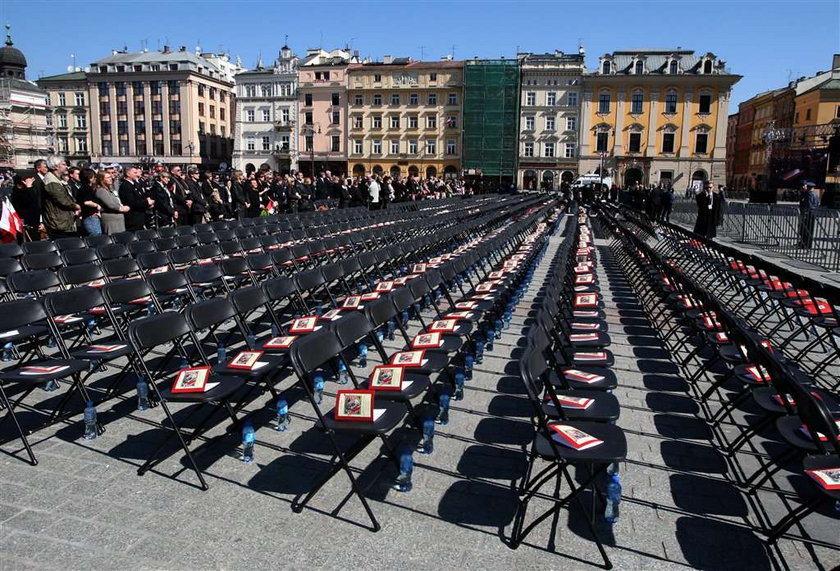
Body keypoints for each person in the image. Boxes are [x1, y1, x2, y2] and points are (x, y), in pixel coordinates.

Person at [41, 156, 79, 239]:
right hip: (58, 222)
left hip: (64, 220)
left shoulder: (57, 179)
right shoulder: (51, 181)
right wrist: (76, 206)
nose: (66, 167)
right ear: (56, 166)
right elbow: (62, 200)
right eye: (63, 164)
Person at [10, 168, 43, 241]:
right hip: (25, 222)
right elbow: (28, 203)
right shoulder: (17, 192)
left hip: (34, 222)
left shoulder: (31, 188)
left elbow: (36, 204)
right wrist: (29, 188)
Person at [119, 166, 153, 231]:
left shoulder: (135, 184)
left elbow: (142, 196)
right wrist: (147, 203)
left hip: (140, 216)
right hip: (133, 218)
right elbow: (131, 202)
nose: (137, 175)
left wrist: (148, 201)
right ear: (128, 174)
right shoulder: (126, 186)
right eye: (134, 173)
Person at [77, 167, 103, 236]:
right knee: (96, 238)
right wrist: (97, 206)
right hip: (90, 218)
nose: (95, 178)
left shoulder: (86, 188)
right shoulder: (86, 188)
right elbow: (87, 202)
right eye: (93, 177)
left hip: (90, 216)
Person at [798, 182, 819, 249]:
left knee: (804, 229)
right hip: (812, 213)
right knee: (810, 230)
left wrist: (805, 213)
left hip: (807, 213)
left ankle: (804, 244)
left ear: (809, 187)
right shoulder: (816, 194)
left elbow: (808, 205)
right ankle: (807, 244)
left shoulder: (809, 194)